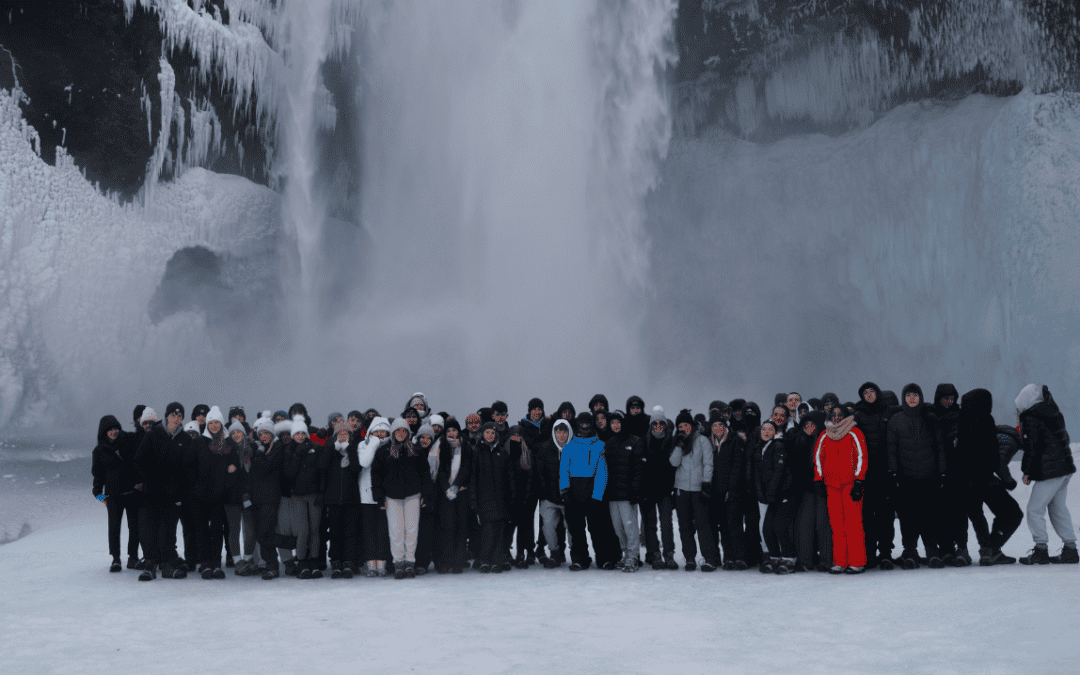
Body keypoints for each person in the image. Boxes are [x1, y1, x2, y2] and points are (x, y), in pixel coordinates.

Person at [1015, 384, 1078, 565]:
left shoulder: (1031, 418)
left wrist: (1027, 472)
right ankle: (1070, 549)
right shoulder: (1053, 412)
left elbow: (1032, 448)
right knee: (1058, 508)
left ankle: (1041, 549)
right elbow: (1064, 438)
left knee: (1034, 509)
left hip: (1051, 471)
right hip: (1064, 468)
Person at [134, 403, 195, 581]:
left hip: (174, 494)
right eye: (173, 415)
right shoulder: (154, 434)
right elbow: (139, 460)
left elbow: (190, 467)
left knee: (169, 530)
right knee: (151, 528)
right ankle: (150, 566)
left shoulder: (184, 438)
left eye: (179, 415)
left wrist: (182, 486)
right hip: (153, 491)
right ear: (167, 416)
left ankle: (168, 565)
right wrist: (151, 478)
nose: (176, 418)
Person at [887, 383, 945, 568]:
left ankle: (932, 552)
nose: (912, 399)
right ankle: (910, 552)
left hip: (929, 476)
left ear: (920, 397)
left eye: (915, 395)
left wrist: (942, 472)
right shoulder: (896, 420)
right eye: (908, 395)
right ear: (904, 398)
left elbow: (940, 446)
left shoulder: (930, 418)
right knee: (908, 517)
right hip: (906, 478)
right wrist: (893, 472)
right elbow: (891, 449)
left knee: (930, 515)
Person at [372, 417, 434, 579]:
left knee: (411, 530)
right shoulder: (383, 452)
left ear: (407, 433)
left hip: (413, 495)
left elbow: (425, 475)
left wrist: (426, 495)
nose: (401, 433)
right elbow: (376, 477)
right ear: (393, 432)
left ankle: (409, 563)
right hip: (391, 497)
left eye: (404, 430)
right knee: (396, 531)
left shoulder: (415, 451)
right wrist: (379, 497)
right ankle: (398, 563)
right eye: (397, 430)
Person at [814, 405, 868, 573]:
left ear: (846, 415)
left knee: (853, 524)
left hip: (850, 485)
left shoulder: (854, 432)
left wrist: (859, 481)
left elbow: (861, 456)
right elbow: (818, 458)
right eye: (834, 414)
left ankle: (857, 562)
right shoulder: (824, 435)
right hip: (832, 486)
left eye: (840, 414)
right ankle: (840, 561)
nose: (837, 417)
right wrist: (819, 480)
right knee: (837, 525)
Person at [669, 409, 722, 572]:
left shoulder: (703, 440)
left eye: (686, 425)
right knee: (685, 526)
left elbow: (708, 463)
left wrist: (706, 483)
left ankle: (710, 558)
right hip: (682, 489)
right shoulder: (677, 441)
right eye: (680, 426)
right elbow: (673, 462)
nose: (683, 428)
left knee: (702, 525)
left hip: (699, 489)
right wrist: (678, 444)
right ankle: (690, 558)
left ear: (691, 426)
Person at [192, 407, 240, 579]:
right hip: (200, 495)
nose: (213, 425)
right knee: (203, 530)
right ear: (207, 424)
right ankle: (205, 564)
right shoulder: (199, 442)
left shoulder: (228, 444)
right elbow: (191, 467)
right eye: (210, 422)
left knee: (217, 530)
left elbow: (235, 468)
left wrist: (228, 478)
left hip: (219, 494)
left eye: (216, 422)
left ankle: (216, 564)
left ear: (221, 424)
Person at [560, 413, 612, 571]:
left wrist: (597, 496)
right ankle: (580, 559)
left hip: (593, 494)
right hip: (573, 493)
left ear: (592, 425)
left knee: (597, 530)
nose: (584, 426)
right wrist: (565, 491)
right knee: (576, 530)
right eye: (581, 424)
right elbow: (564, 471)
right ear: (577, 425)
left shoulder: (599, 445)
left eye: (587, 423)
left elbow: (602, 472)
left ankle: (603, 559)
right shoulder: (569, 447)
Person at [92, 415, 142, 572]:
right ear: (103, 432)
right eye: (109, 430)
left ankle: (133, 558)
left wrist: (140, 484)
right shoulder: (99, 451)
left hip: (132, 493)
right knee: (114, 528)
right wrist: (99, 496)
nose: (113, 432)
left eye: (115, 429)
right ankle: (115, 559)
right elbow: (97, 475)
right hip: (112, 496)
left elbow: (137, 464)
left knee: (135, 527)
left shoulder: (128, 442)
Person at [853, 382, 895, 569]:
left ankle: (885, 554)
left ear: (878, 393)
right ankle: (869, 554)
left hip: (885, 473)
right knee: (867, 517)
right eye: (865, 393)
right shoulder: (857, 414)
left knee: (885, 517)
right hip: (866, 474)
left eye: (872, 392)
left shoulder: (889, 412)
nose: (869, 395)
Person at [469, 421, 515, 573]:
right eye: (487, 432)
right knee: (487, 532)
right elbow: (473, 478)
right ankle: (484, 559)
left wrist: (511, 498)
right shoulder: (477, 452)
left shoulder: (502, 452)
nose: (490, 435)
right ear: (483, 434)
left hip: (501, 500)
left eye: (493, 433)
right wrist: (474, 500)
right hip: (484, 500)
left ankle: (497, 561)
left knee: (500, 532)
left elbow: (510, 479)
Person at [603, 411, 645, 571]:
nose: (615, 425)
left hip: (628, 494)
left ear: (623, 423)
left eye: (618, 422)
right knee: (618, 527)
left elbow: (639, 468)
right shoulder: (609, 443)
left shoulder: (635, 441)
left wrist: (635, 489)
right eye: (612, 422)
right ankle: (626, 555)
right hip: (612, 494)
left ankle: (633, 556)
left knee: (630, 527)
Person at [708, 411, 749, 570]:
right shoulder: (710, 443)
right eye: (714, 425)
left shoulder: (734, 440)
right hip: (715, 491)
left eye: (720, 425)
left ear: (726, 426)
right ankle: (729, 557)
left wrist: (731, 489)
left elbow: (737, 467)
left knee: (735, 525)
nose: (717, 427)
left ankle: (741, 557)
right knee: (723, 526)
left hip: (732, 491)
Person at [756, 420, 797, 574]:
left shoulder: (779, 445)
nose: (766, 432)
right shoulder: (760, 448)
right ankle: (774, 557)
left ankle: (789, 558)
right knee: (767, 529)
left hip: (785, 494)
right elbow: (759, 475)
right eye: (763, 429)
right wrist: (763, 493)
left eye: (769, 429)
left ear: (775, 432)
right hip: (772, 496)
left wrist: (771, 493)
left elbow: (779, 472)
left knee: (780, 526)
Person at [793, 411, 832, 572]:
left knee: (824, 525)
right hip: (806, 490)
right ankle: (804, 560)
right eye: (805, 425)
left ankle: (827, 560)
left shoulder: (826, 440)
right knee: (804, 525)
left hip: (824, 488)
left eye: (812, 424)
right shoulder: (799, 441)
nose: (809, 428)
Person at [641, 407, 678, 570]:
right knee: (650, 525)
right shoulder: (643, 442)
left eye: (660, 423)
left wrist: (673, 489)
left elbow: (675, 467)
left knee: (666, 524)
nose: (657, 426)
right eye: (654, 423)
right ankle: (654, 554)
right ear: (650, 425)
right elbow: (639, 467)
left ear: (665, 424)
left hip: (665, 490)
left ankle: (669, 554)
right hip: (647, 490)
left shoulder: (671, 441)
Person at [434, 418, 471, 574]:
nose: (451, 433)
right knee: (447, 528)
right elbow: (440, 470)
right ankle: (446, 561)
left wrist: (456, 486)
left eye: (454, 430)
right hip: (446, 495)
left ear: (459, 431)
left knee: (461, 528)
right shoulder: (441, 447)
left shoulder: (466, 447)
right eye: (448, 430)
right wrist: (447, 489)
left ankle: (458, 562)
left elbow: (466, 467)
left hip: (461, 493)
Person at [324, 421, 361, 579]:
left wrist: (348, 450)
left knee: (350, 533)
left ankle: (348, 562)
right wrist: (334, 449)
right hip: (333, 500)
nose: (343, 436)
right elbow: (322, 466)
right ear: (335, 436)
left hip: (351, 499)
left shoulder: (353, 450)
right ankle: (336, 562)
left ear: (350, 436)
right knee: (335, 533)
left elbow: (356, 469)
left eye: (346, 434)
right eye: (340, 434)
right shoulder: (330, 451)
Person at [250, 416, 284, 579]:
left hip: (270, 497)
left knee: (266, 532)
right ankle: (268, 563)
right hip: (257, 497)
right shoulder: (261, 448)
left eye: (266, 433)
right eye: (260, 433)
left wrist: (259, 453)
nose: (263, 436)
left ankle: (273, 565)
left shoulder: (277, 448)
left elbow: (265, 467)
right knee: (260, 533)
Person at [223, 419, 259, 576]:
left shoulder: (252, 449)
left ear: (243, 434)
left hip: (248, 496)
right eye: (233, 433)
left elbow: (255, 474)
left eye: (238, 432)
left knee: (251, 530)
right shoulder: (226, 450)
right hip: (231, 497)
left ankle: (248, 558)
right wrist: (227, 469)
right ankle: (238, 561)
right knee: (234, 530)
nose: (236, 435)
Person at [358, 417, 392, 577]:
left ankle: (382, 564)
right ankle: (371, 564)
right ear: (370, 431)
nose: (379, 433)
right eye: (376, 430)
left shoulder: (392, 447)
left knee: (382, 532)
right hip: (366, 497)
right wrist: (373, 443)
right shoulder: (363, 445)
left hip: (384, 496)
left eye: (383, 430)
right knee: (369, 532)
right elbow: (364, 462)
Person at [536, 418, 572, 568]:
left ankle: (576, 553)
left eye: (564, 431)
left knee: (572, 526)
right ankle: (554, 553)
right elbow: (540, 474)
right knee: (548, 525)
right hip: (550, 497)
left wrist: (572, 494)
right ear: (554, 432)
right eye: (558, 431)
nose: (561, 435)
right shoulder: (545, 448)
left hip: (569, 497)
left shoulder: (575, 449)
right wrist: (546, 493)